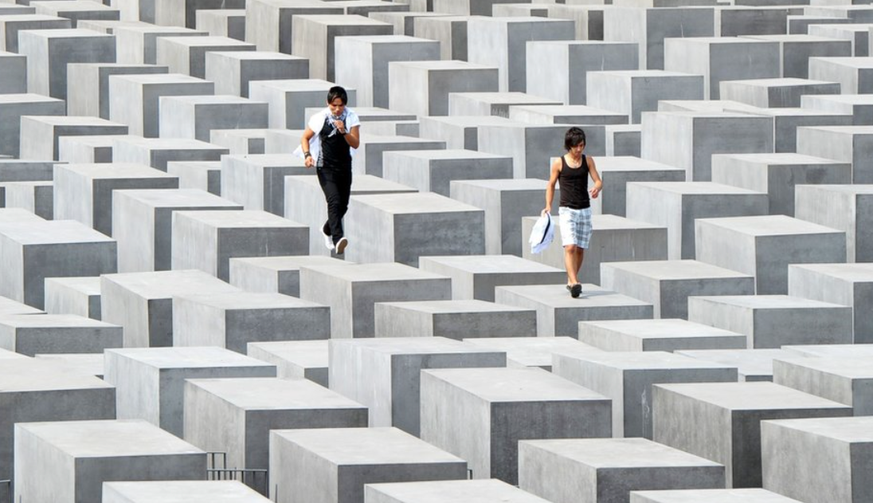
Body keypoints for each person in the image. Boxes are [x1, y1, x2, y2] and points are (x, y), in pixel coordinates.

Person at [296, 86, 361, 255]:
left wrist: (343, 130)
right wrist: (307, 155)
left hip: (344, 167)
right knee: (334, 201)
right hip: (325, 167)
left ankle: (326, 229)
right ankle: (338, 238)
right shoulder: (320, 118)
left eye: (341, 105)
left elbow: (355, 143)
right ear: (328, 103)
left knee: (343, 206)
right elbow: (305, 137)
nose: (337, 109)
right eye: (334, 105)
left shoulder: (351, 117)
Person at [543, 127, 602, 298]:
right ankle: (575, 282)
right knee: (570, 246)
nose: (579, 149)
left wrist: (597, 188)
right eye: (576, 146)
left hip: (585, 209)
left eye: (582, 145)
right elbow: (551, 185)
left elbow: (598, 181)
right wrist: (548, 205)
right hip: (567, 210)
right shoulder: (559, 163)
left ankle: (571, 280)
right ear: (569, 145)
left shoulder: (588, 161)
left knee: (580, 249)